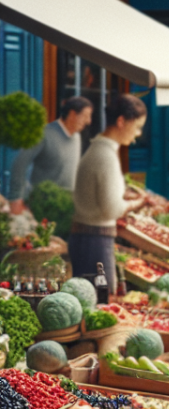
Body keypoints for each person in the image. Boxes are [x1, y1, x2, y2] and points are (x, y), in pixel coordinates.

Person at [70, 94, 147, 291]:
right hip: (94, 241)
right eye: (137, 126)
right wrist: (136, 203)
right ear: (121, 121)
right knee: (102, 303)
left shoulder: (99, 150)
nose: (138, 133)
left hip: (86, 238)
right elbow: (112, 209)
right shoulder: (105, 156)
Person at [9, 96, 93, 214]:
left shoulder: (76, 137)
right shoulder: (43, 134)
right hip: (43, 206)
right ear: (72, 114)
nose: (89, 121)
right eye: (85, 116)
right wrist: (16, 198)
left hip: (67, 206)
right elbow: (19, 164)